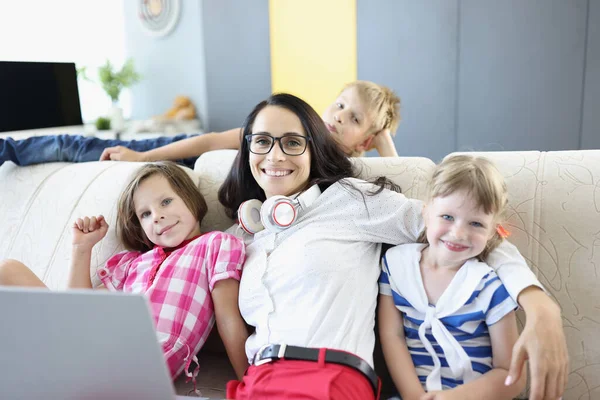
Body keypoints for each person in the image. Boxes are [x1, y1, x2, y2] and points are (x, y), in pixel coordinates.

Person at [216, 93, 567, 400]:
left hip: (331, 377)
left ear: (314, 148)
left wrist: (538, 303)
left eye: (292, 142)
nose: (275, 156)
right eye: (261, 141)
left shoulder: (349, 200)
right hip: (258, 382)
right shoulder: (237, 238)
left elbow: (458, 230)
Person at [0, 162, 248, 382]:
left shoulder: (216, 244)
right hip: (96, 347)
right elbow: (77, 311)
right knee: (8, 270)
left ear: (190, 198)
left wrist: (248, 384)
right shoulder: (132, 264)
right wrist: (81, 248)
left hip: (141, 359)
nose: (158, 216)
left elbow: (228, 318)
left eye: (166, 201)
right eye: (145, 214)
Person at [378, 155, 526, 400]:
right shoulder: (395, 266)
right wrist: (414, 395)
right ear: (426, 214)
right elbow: (391, 335)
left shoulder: (490, 286)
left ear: (492, 232)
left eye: (476, 223)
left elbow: (511, 374)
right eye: (447, 217)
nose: (458, 233)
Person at [0, 81, 401, 169]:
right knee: (79, 147)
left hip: (195, 166)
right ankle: (8, 150)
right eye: (340, 105)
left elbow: (403, 174)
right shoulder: (299, 126)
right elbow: (210, 140)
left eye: (354, 119)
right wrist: (141, 154)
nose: (338, 117)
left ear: (365, 139)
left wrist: (383, 140)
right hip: (185, 149)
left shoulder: (351, 166)